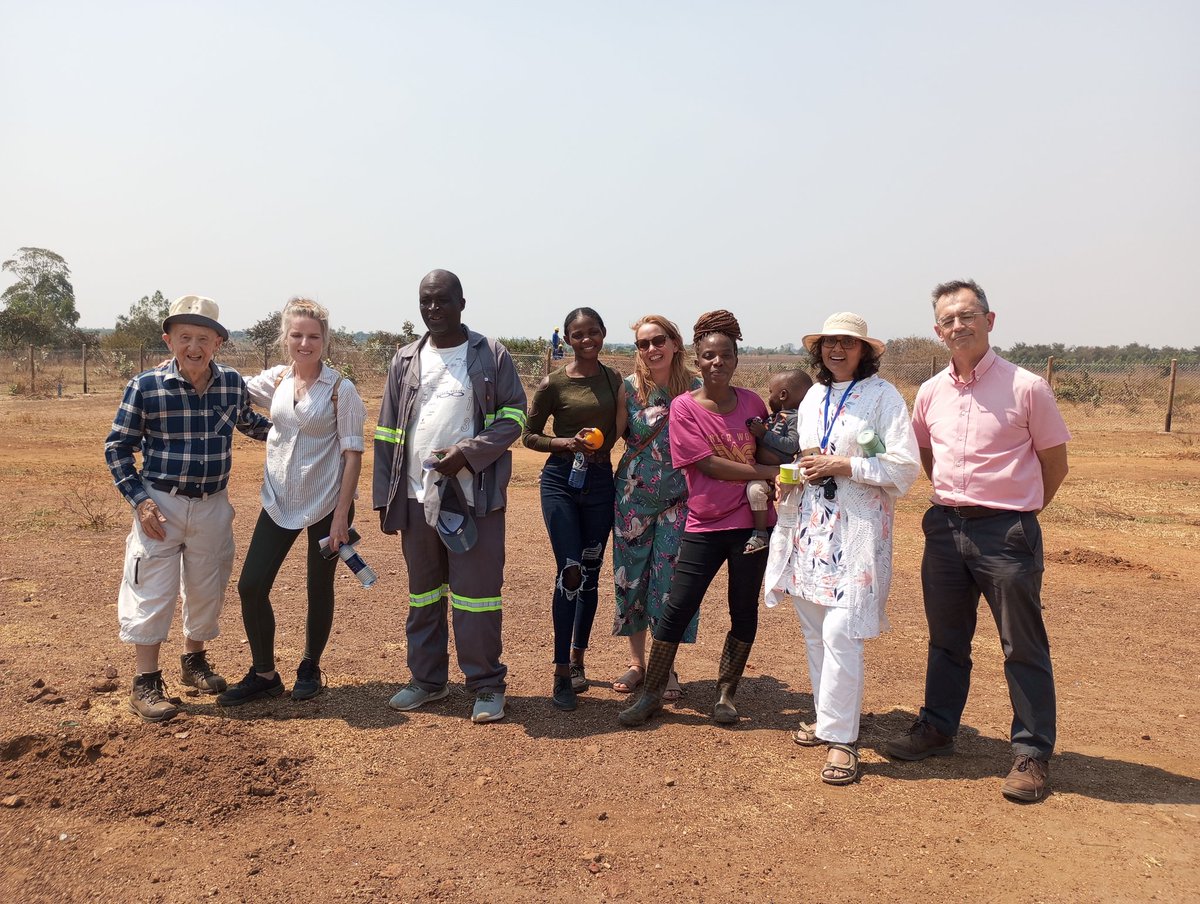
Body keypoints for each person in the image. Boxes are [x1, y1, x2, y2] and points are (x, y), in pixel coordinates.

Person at [884, 279, 1070, 803]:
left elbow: (1054, 462)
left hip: (1005, 531)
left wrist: (1021, 512)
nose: (958, 325)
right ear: (938, 331)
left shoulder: (1026, 386)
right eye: (948, 319)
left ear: (990, 320)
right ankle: (938, 729)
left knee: (1022, 643)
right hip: (945, 528)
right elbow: (927, 455)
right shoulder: (930, 392)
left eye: (968, 315)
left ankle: (1032, 752)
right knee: (946, 639)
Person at [763, 313, 920, 785]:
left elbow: (904, 467)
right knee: (814, 629)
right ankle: (827, 716)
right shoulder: (813, 396)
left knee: (841, 631)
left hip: (856, 530)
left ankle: (843, 742)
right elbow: (808, 455)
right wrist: (792, 478)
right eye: (830, 343)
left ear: (864, 352)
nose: (837, 350)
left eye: (847, 344)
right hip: (812, 527)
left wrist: (845, 465)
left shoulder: (883, 397)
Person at [104, 295, 271, 722]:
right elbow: (119, 447)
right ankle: (146, 681)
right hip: (160, 503)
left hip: (213, 503)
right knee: (152, 586)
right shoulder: (146, 386)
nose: (193, 347)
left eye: (203, 338)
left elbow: (251, 425)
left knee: (206, 584)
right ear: (168, 340)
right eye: (184, 337)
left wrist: (307, 427)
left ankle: (193, 661)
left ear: (218, 342)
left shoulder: (231, 384)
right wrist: (140, 502)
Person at [374, 270, 526, 724]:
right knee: (423, 594)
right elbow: (386, 432)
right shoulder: (404, 360)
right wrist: (388, 496)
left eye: (443, 301)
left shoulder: (490, 354)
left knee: (476, 596)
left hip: (473, 498)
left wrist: (467, 453)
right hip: (419, 496)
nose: (433, 309)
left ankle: (486, 684)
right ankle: (427, 681)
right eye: (426, 301)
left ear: (462, 303)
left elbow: (515, 417)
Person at [619, 310, 779, 728]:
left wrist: (780, 456)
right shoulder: (685, 407)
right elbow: (708, 465)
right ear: (698, 358)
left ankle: (726, 693)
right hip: (705, 522)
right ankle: (652, 693)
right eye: (709, 356)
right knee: (677, 606)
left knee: (742, 608)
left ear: (735, 360)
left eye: (725, 356)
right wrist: (768, 473)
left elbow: (764, 451)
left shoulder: (751, 403)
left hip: (752, 523)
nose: (717, 363)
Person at [217, 298, 367, 707]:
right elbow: (225, 384)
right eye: (297, 334)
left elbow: (353, 453)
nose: (305, 343)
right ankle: (264, 672)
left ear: (326, 340)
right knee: (251, 585)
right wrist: (178, 365)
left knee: (318, 589)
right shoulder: (277, 380)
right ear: (285, 337)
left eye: (313, 336)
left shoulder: (341, 390)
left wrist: (341, 517)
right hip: (279, 500)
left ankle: (309, 667)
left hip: (327, 504)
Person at [522, 307, 624, 711]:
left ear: (602, 334)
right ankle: (561, 672)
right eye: (578, 334)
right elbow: (528, 435)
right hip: (561, 482)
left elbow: (619, 429)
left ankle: (580, 660)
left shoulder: (614, 379)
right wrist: (566, 443)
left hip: (599, 482)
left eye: (593, 332)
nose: (587, 340)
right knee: (570, 572)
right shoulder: (553, 383)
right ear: (567, 339)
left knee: (592, 573)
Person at [610, 315, 701, 700]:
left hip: (681, 498)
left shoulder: (696, 388)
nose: (651, 349)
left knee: (670, 584)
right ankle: (637, 664)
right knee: (632, 578)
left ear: (675, 343)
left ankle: (667, 668)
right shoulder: (628, 390)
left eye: (658, 340)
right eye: (643, 344)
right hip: (633, 499)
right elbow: (615, 436)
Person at [743, 369, 811, 554]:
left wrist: (764, 433)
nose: (769, 395)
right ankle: (762, 533)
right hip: (763, 470)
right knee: (754, 491)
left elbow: (791, 445)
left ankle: (761, 534)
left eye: (770, 391)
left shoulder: (795, 419)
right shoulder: (774, 417)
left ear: (782, 395)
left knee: (756, 492)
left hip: (779, 473)